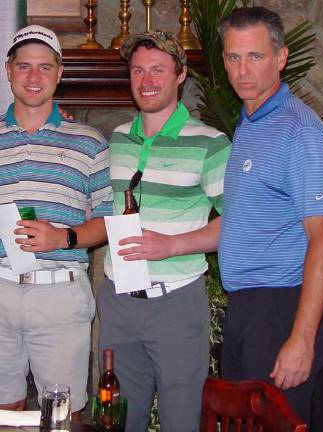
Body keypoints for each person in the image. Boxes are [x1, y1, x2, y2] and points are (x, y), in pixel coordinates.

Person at [0, 25, 112, 416]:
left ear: (59, 74)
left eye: (44, 67)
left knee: (62, 416)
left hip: (60, 295)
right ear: (8, 70)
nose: (33, 77)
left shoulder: (90, 142)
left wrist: (63, 237)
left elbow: (109, 222)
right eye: (24, 66)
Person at [97, 31, 231, 432]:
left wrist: (172, 245)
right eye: (138, 70)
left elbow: (237, 224)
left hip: (176, 304)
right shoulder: (117, 139)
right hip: (117, 299)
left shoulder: (211, 144)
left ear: (180, 75)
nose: (146, 80)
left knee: (180, 421)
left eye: (158, 69)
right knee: (118, 419)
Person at [217, 6, 323, 423]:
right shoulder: (250, 123)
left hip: (282, 309)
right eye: (233, 57)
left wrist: (301, 339)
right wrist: (169, 244)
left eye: (255, 56)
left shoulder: (299, 130)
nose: (242, 70)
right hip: (248, 309)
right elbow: (242, 221)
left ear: (281, 58)